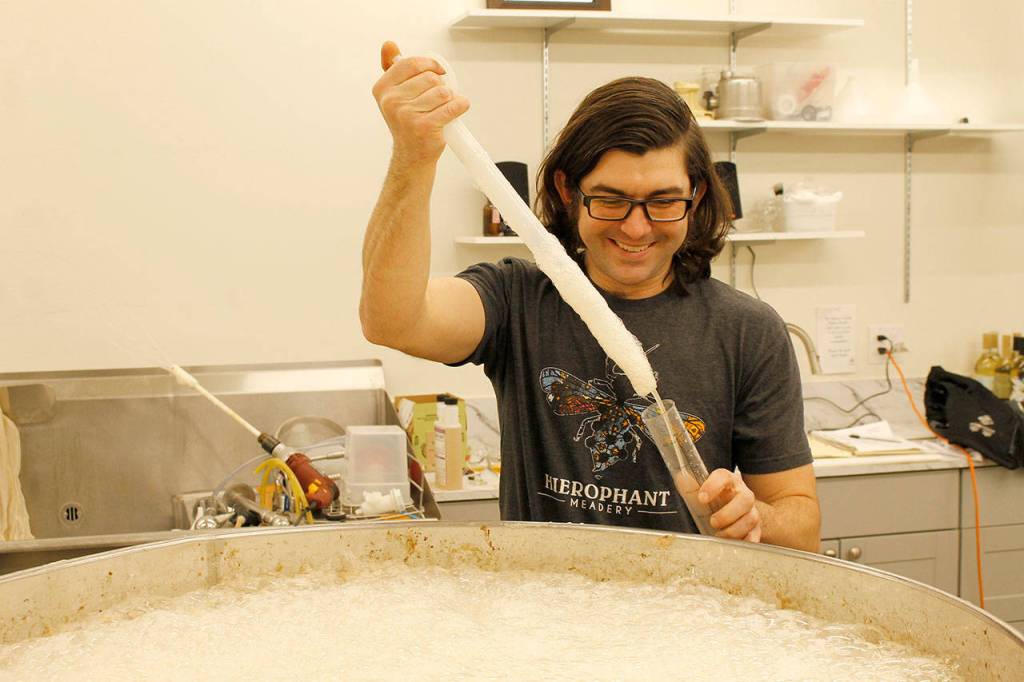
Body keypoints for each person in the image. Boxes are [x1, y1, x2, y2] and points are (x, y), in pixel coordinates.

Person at [362, 42, 820, 552]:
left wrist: (754, 516)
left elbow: (802, 527)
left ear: (697, 198)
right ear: (567, 191)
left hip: (688, 618)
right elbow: (393, 321)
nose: (636, 227)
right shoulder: (517, 301)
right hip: (545, 613)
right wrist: (413, 156)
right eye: (611, 199)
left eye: (664, 202)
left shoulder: (747, 330)